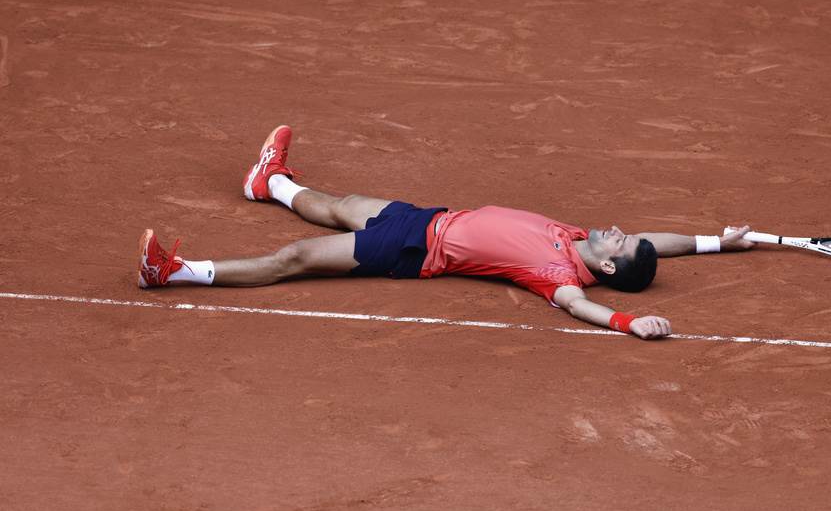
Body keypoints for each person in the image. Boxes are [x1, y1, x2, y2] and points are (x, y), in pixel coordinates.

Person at [137, 126, 755, 339]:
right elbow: (659, 240)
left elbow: (580, 308)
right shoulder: (581, 237)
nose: (618, 229)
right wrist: (717, 242)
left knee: (295, 257)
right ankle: (268, 183)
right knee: (340, 202)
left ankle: (175, 273)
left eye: (619, 241)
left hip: (410, 249)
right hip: (428, 217)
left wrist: (628, 323)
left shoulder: (560, 273)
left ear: (611, 267)